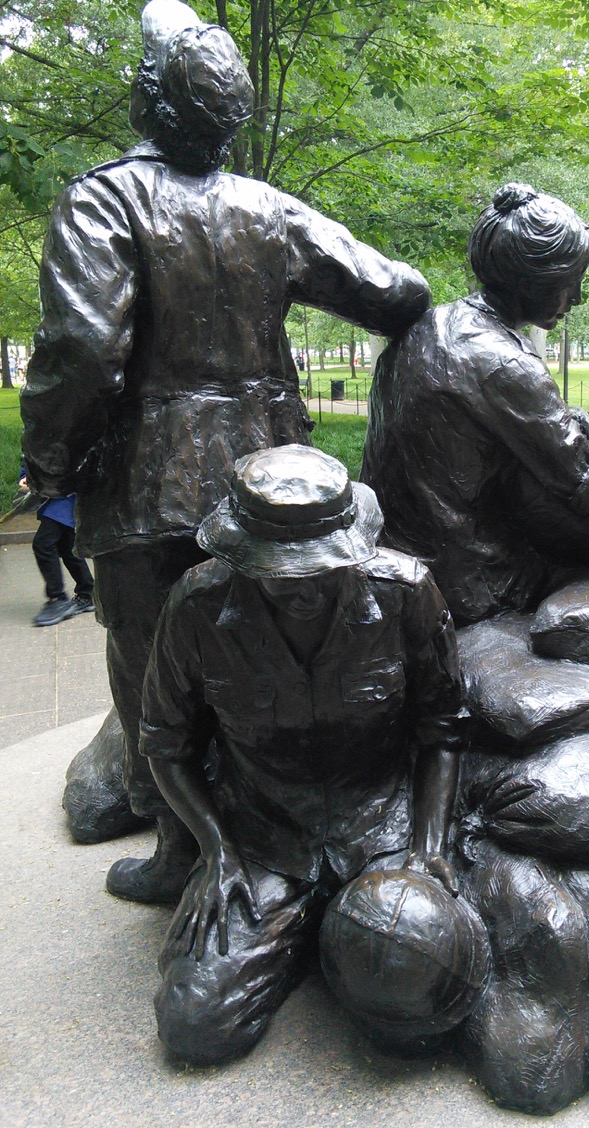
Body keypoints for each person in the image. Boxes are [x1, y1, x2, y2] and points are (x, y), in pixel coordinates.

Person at [21, 0, 431, 904]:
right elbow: (399, 292)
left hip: (147, 487)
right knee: (253, 656)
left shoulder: (102, 200)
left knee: (149, 669)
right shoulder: (269, 209)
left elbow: (82, 352)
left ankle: (180, 849)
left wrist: (49, 464)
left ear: (146, 100)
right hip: (271, 492)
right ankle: (251, 832)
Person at [140, 444, 464, 1065]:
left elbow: (442, 729)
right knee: (195, 1023)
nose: (304, 588)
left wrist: (429, 848)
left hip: (382, 830)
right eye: (279, 571)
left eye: (321, 568)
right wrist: (214, 848)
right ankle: (297, 938)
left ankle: (318, 937)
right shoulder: (196, 607)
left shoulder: (406, 592)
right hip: (262, 839)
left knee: (419, 1007)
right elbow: (165, 743)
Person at [361, 183, 589, 625]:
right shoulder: (506, 364)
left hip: (398, 543)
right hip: (467, 575)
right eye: (568, 284)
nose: (575, 299)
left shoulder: (428, 326)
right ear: (532, 280)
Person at [19, 468, 94, 627]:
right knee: (66, 545)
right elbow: (31, 451)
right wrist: (26, 475)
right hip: (55, 493)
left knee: (43, 544)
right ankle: (88, 592)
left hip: (68, 491)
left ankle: (57, 599)